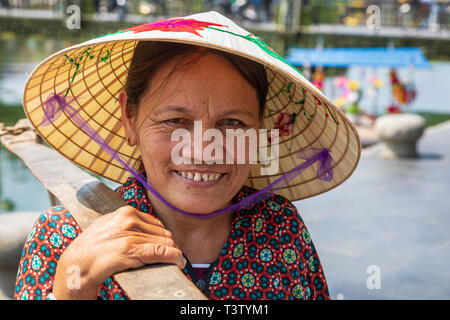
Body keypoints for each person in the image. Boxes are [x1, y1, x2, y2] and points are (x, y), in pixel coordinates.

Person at [14, 11, 360, 300]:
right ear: (129, 119)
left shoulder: (281, 227)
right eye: (175, 121)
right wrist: (75, 283)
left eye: (231, 123)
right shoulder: (65, 236)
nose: (202, 150)